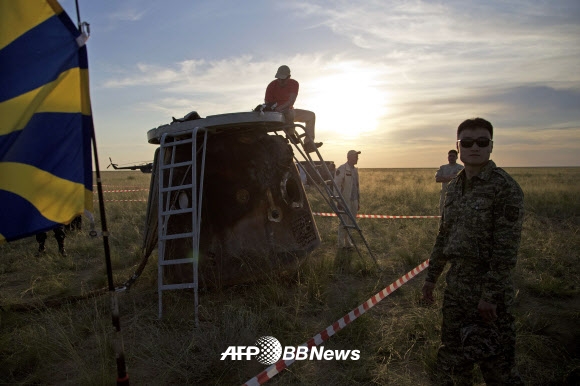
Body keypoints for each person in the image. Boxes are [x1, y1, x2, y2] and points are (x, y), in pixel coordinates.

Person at [422, 118, 524, 385]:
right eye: (467, 142)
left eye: (482, 142)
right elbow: (443, 236)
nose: (474, 147)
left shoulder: (505, 187)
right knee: (452, 363)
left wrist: (490, 295)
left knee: (497, 367)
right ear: (458, 146)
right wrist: (431, 278)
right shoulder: (455, 187)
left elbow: (506, 248)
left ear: (491, 146)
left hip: (488, 294)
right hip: (456, 289)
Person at [265, 65, 322, 153]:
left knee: (310, 115)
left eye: (283, 79)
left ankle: (308, 144)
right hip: (276, 115)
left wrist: (281, 108)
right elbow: (267, 103)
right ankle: (291, 134)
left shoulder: (294, 83)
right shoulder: (271, 85)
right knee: (290, 113)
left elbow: (291, 101)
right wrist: (276, 109)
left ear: (288, 77)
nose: (280, 81)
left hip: (288, 111)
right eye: (279, 78)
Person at [334, 150, 361, 249]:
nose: (357, 158)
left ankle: (348, 242)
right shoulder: (341, 169)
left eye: (357, 157)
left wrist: (358, 202)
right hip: (345, 201)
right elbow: (336, 186)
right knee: (344, 222)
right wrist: (338, 201)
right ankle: (341, 244)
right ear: (349, 157)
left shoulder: (355, 170)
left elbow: (356, 187)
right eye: (355, 156)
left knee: (351, 222)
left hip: (354, 200)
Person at [435, 149, 464, 214]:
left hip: (457, 194)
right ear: (448, 157)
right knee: (442, 213)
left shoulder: (461, 168)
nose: (451, 158)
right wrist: (451, 177)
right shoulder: (442, 168)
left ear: (456, 157)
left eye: (453, 156)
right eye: (450, 156)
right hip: (445, 194)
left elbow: (462, 179)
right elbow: (437, 179)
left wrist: (445, 178)